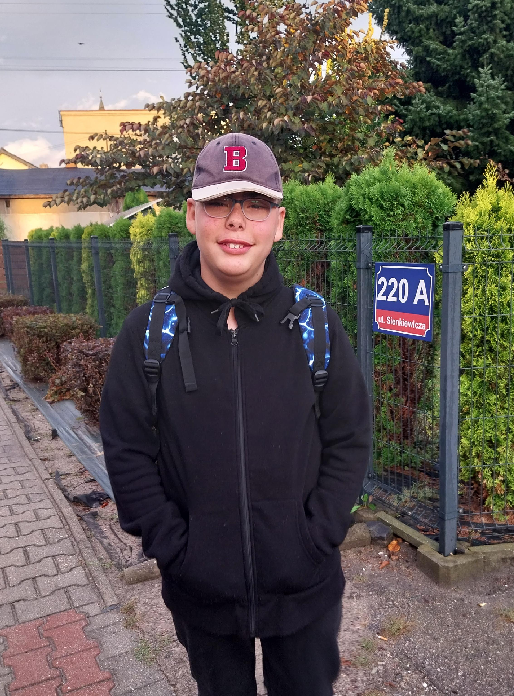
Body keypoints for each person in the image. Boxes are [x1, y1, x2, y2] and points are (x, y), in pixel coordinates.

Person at [100, 133, 372, 696]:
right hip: (201, 590)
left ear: (279, 223)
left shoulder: (314, 323)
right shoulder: (149, 331)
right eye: (219, 203)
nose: (236, 221)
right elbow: (127, 449)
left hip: (304, 585)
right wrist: (176, 549)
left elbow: (349, 437)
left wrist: (317, 534)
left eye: (255, 205)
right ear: (191, 215)